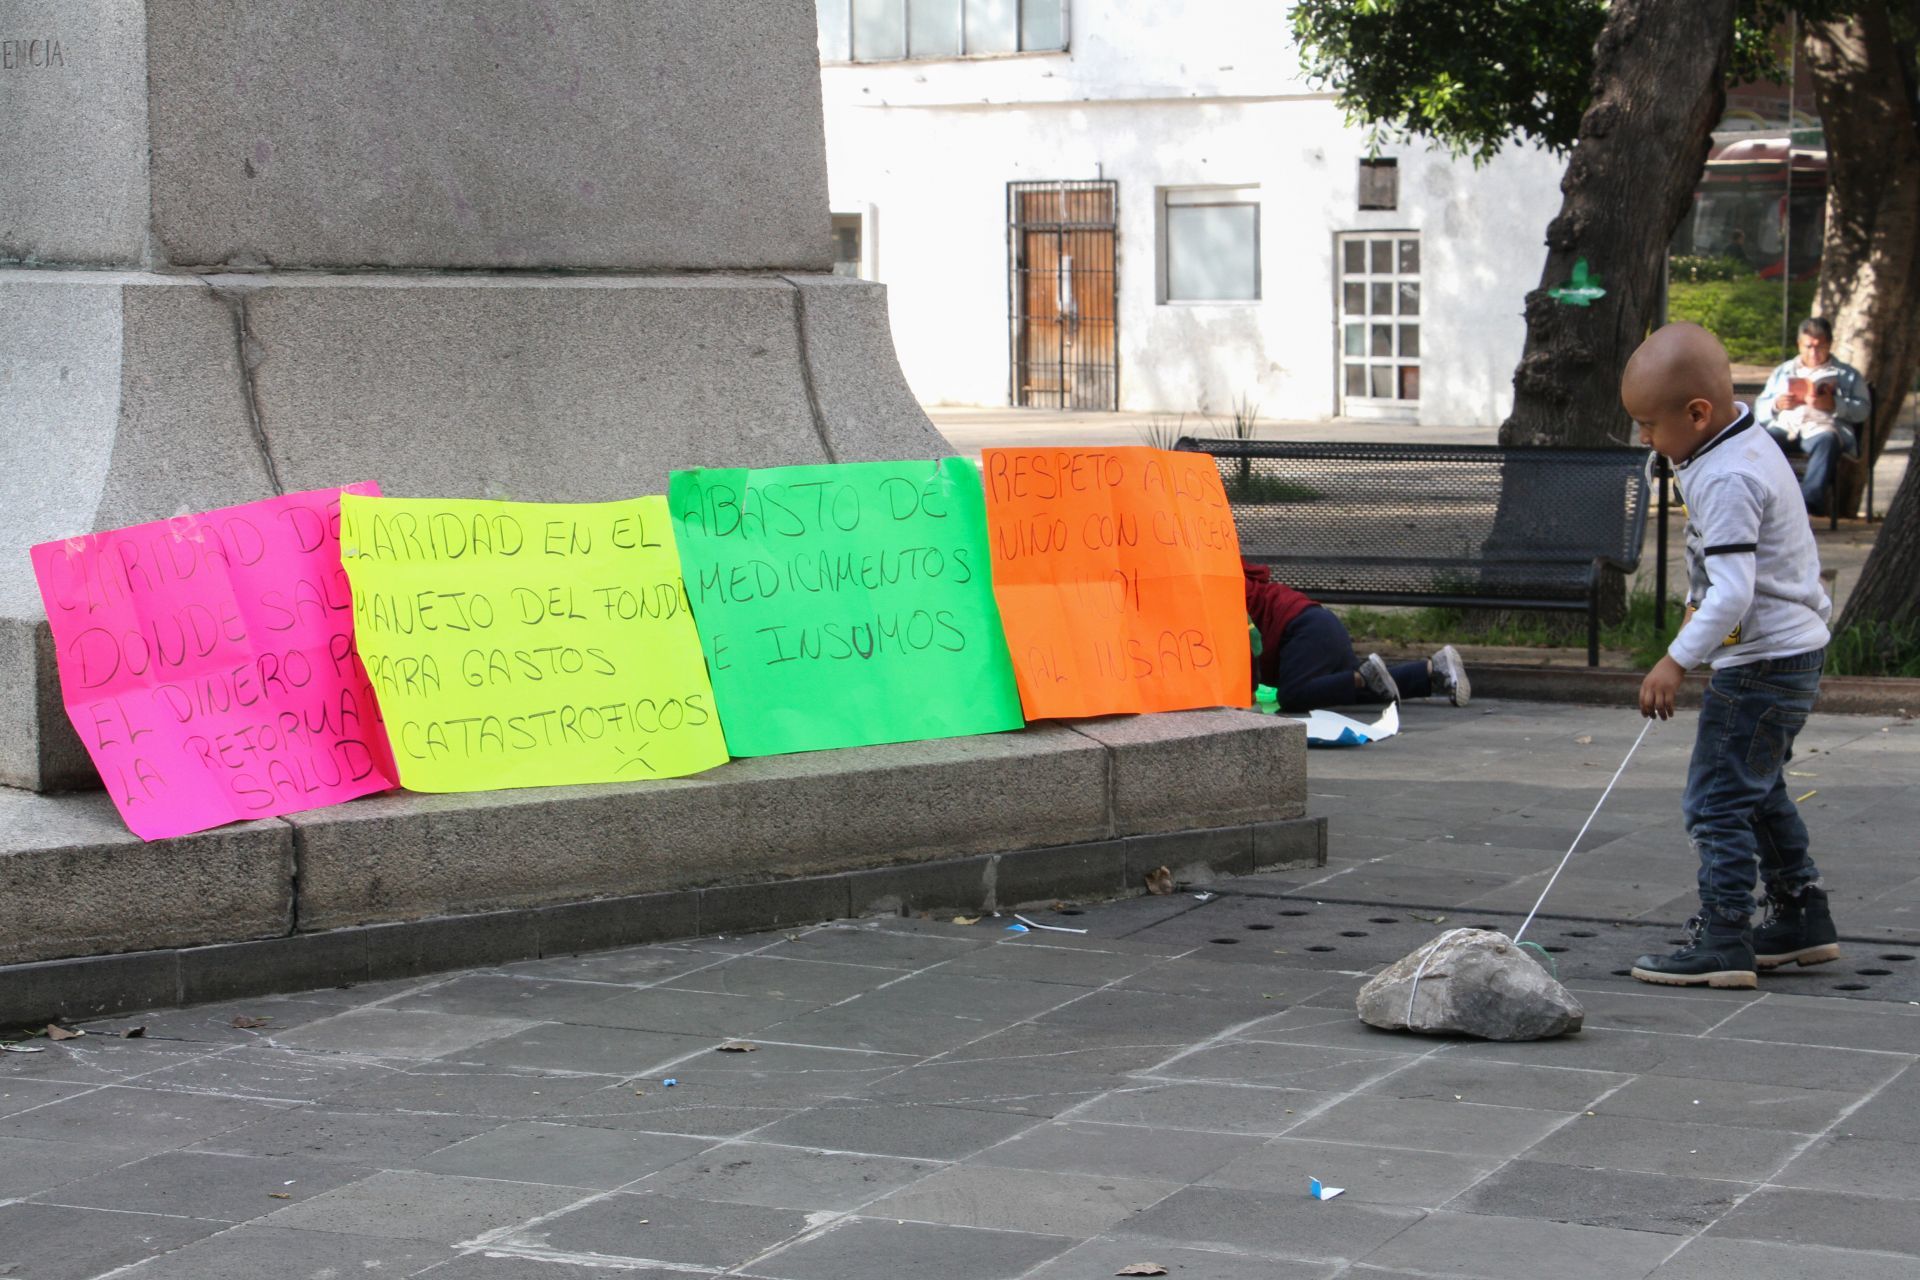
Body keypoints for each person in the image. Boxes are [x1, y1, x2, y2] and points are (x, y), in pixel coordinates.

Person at [1622, 322, 1838, 989]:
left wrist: (1675, 660)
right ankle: (1803, 918)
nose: (1643, 440)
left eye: (1648, 425)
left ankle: (1723, 936)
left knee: (1715, 800)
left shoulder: (1725, 477)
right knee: (1759, 786)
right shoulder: (1742, 440)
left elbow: (1734, 593)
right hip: (1791, 654)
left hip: (1763, 666)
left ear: (1696, 414)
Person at [1243, 561, 1469, 711]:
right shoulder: (1227, 571)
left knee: (1293, 697)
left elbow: (1245, 642)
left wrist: (1246, 697)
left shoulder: (1222, 590)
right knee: (1344, 689)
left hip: (1301, 630)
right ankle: (1432, 670)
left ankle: (1364, 676)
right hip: (1317, 625)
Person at [1754, 316, 1871, 516]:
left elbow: (1863, 409)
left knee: (1828, 441)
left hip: (1822, 428)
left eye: (1820, 347)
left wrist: (1836, 405)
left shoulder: (1847, 375)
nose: (1814, 353)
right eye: (1808, 347)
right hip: (1787, 427)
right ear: (1799, 345)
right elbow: (1759, 408)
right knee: (1765, 441)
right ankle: (1766, 499)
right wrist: (1777, 404)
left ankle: (1807, 504)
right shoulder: (1783, 372)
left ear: (1830, 345)